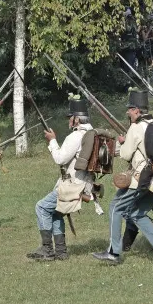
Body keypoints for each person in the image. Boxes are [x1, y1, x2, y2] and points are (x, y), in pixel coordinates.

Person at [91, 90, 153, 265]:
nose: (128, 112)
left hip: (141, 178)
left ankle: (114, 252)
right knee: (137, 213)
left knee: (115, 207)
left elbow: (125, 154)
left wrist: (123, 143)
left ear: (137, 110)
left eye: (130, 109)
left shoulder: (136, 127)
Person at [27, 96, 93, 261]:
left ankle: (47, 249)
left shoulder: (76, 136)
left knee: (41, 207)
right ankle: (61, 252)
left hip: (72, 185)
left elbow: (60, 159)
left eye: (71, 117)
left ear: (76, 119)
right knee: (56, 213)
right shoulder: (92, 133)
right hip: (83, 183)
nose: (69, 120)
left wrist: (52, 141)